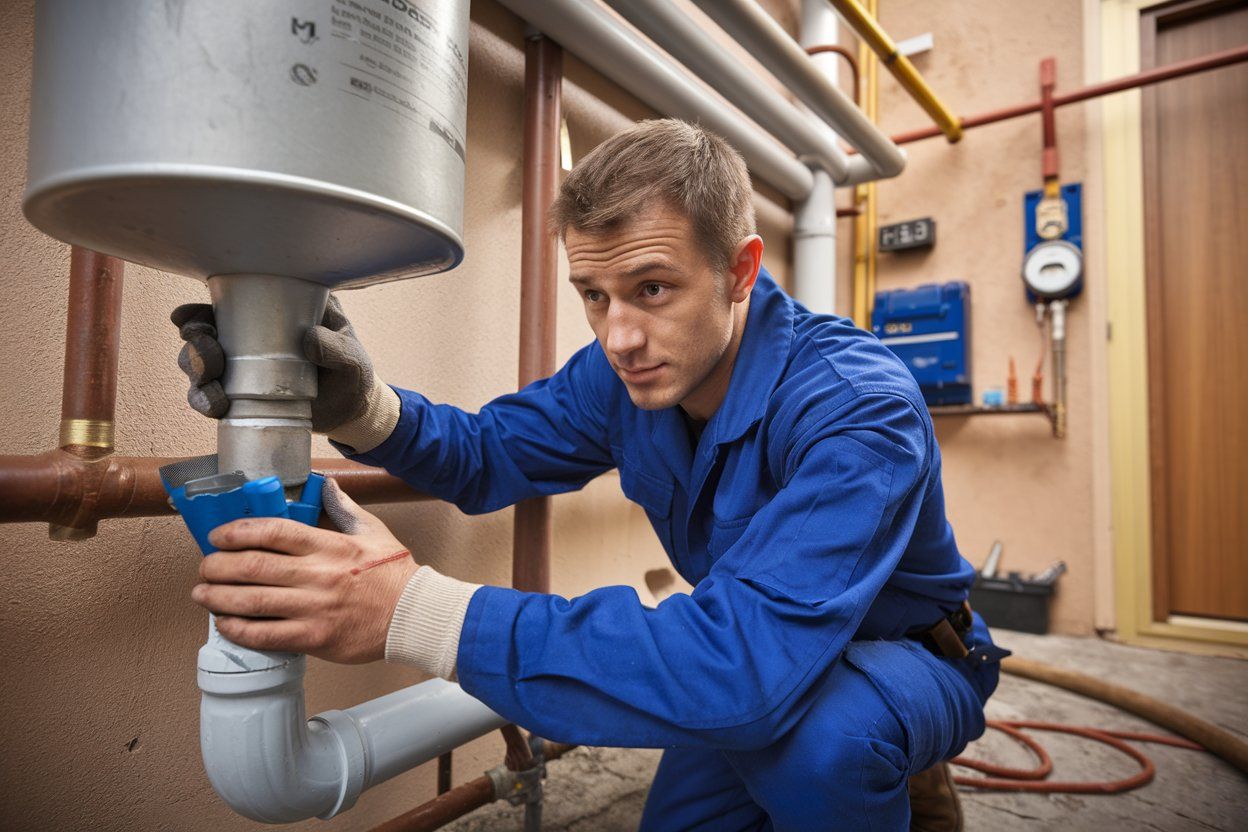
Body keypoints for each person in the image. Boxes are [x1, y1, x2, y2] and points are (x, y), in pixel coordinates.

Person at [174, 119, 1006, 832]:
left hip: (904, 653)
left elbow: (740, 671)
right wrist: (364, 408)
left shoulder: (857, 407)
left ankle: (899, 763)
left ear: (741, 270)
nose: (620, 336)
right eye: (594, 296)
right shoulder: (623, 377)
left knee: (823, 744)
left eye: (651, 288)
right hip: (763, 650)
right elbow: (489, 454)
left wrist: (413, 612)